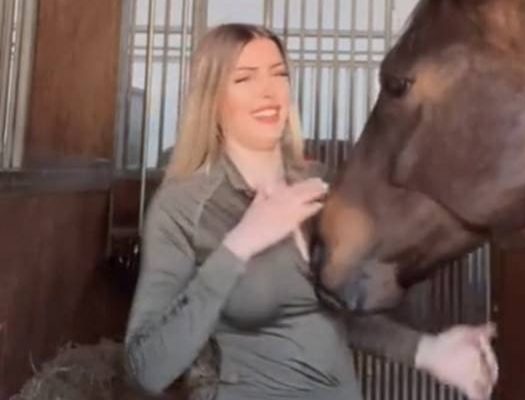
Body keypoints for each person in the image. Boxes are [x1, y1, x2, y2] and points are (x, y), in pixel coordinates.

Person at [124, 23, 498, 400]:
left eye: (278, 74)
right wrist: (240, 244)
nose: (268, 91)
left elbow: (332, 314)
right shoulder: (183, 207)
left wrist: (429, 351)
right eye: (245, 78)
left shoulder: (321, 185)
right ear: (212, 97)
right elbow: (147, 369)